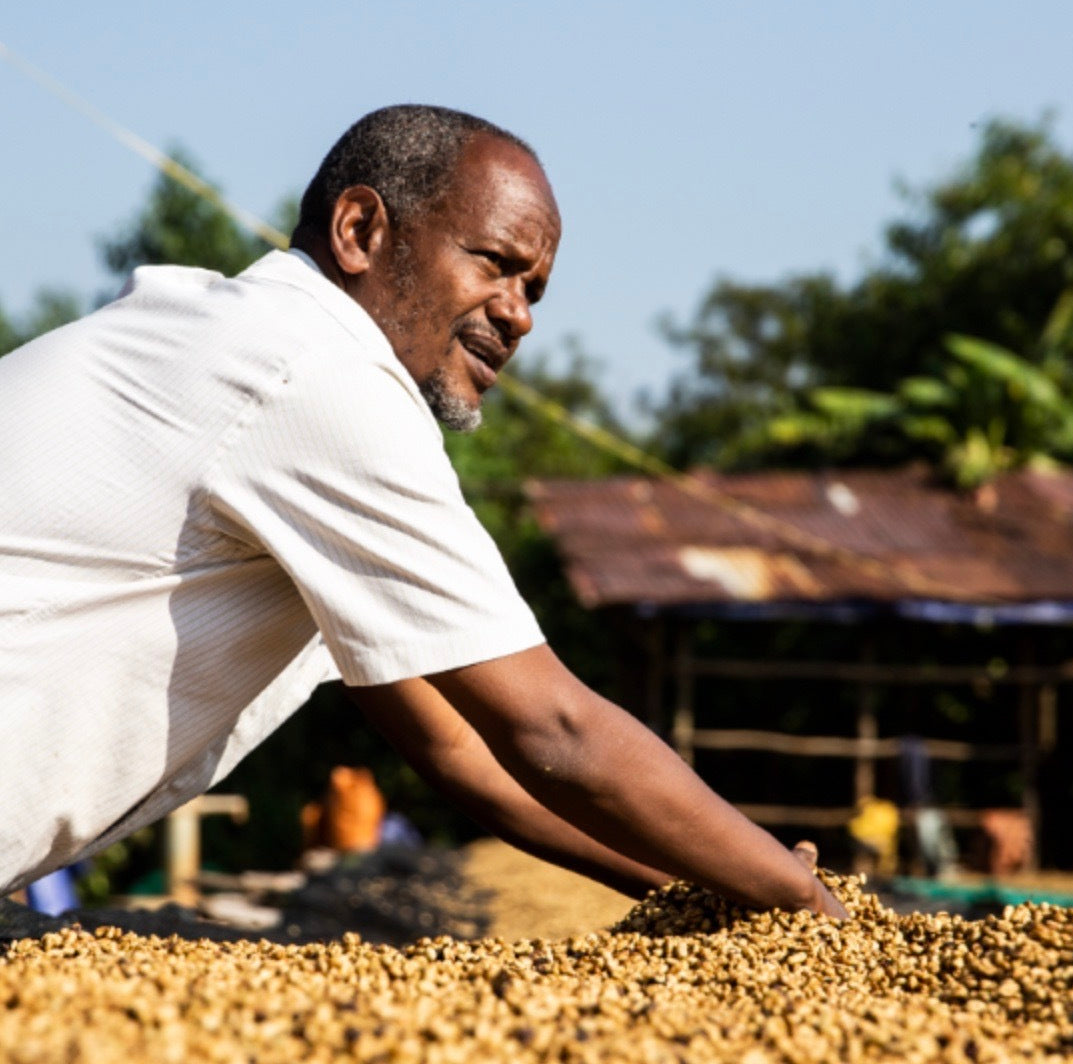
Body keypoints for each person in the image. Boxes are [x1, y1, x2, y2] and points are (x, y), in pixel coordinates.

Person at [0, 105, 845, 918]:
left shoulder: (247, 341)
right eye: (494, 263)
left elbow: (460, 751)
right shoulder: (313, 372)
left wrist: (717, 886)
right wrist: (805, 899)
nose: (518, 315)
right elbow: (555, 726)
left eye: (535, 291)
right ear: (361, 232)